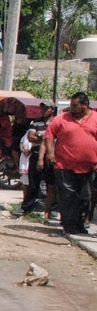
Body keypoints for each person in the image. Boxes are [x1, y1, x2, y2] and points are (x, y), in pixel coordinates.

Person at [42, 92, 97, 235]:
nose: (71, 108)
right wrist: (49, 152)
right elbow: (49, 134)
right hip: (64, 166)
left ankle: (80, 224)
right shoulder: (62, 119)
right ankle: (69, 225)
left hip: (89, 167)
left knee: (85, 197)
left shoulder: (95, 118)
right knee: (67, 197)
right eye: (71, 105)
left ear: (85, 105)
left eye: (75, 105)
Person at [22, 104, 57, 214]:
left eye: (46, 108)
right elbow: (30, 137)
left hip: (52, 155)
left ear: (52, 109)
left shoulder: (56, 122)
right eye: (42, 108)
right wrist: (47, 137)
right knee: (33, 182)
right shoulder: (35, 122)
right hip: (36, 153)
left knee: (51, 184)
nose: (43, 110)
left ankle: (51, 209)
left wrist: (42, 136)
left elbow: (56, 137)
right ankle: (27, 208)